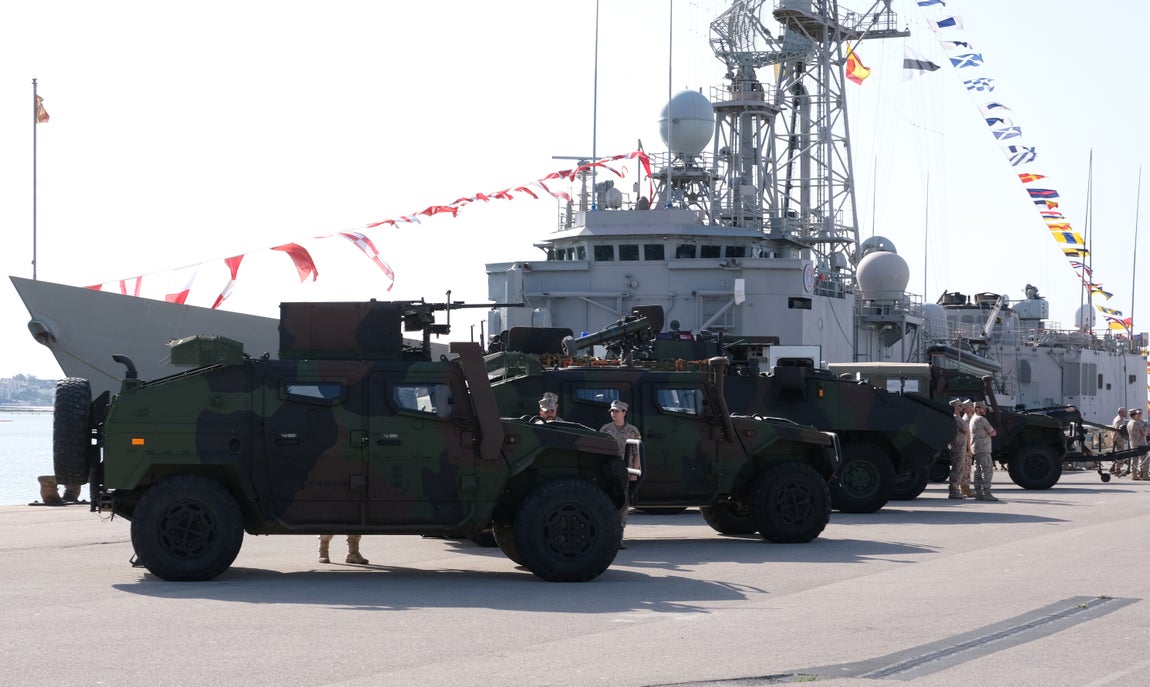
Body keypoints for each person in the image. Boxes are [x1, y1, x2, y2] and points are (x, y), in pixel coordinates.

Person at [599, 400, 641, 548]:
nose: (613, 413)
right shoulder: (605, 429)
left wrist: (634, 472)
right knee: (606, 503)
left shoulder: (632, 431)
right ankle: (607, 536)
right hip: (608, 472)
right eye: (612, 411)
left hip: (625, 472)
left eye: (616, 411)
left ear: (624, 412)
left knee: (623, 505)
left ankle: (619, 537)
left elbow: (637, 454)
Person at [968, 401, 999, 501]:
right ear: (976, 409)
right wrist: (992, 432)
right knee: (987, 470)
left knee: (978, 470)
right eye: (982, 408)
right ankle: (987, 493)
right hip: (984, 448)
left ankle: (979, 493)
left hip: (976, 448)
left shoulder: (973, 419)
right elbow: (992, 432)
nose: (985, 409)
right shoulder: (981, 419)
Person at [947, 399, 972, 499]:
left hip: (960, 447)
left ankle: (956, 490)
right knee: (957, 468)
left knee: (960, 468)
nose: (961, 408)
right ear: (955, 407)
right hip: (957, 447)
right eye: (960, 406)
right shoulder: (956, 418)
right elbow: (966, 429)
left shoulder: (958, 418)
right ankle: (953, 491)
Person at [1127, 408, 1148, 480]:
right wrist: (1146, 425)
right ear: (1135, 414)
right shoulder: (1138, 423)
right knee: (1145, 459)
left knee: (1134, 460)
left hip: (1133, 443)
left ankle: (1134, 475)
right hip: (1141, 444)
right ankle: (1145, 475)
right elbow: (1145, 432)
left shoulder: (1129, 423)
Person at [1110, 407, 1130, 475]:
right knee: (1120, 454)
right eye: (1125, 412)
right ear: (1121, 412)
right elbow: (1116, 431)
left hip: (1118, 439)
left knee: (1118, 453)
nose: (1126, 413)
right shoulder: (1119, 420)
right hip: (1118, 439)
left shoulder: (1119, 419)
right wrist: (1113, 440)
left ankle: (1113, 468)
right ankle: (1117, 469)